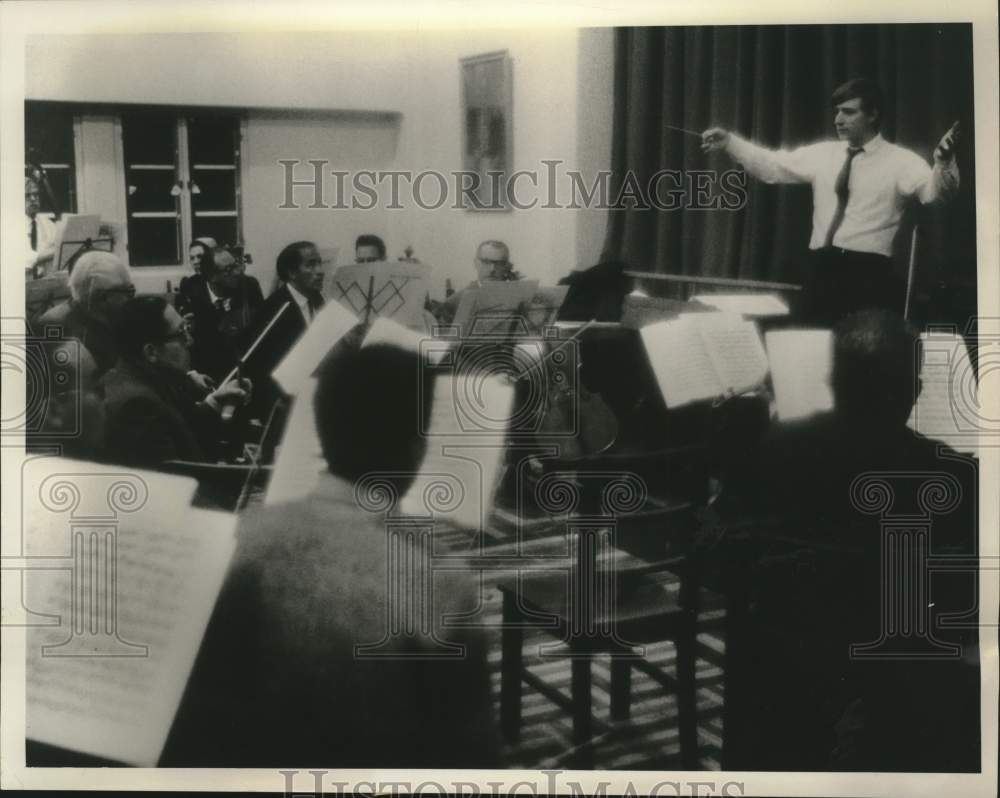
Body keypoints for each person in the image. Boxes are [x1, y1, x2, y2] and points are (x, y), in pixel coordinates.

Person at [163, 344, 500, 767]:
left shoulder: (237, 538)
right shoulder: (439, 580)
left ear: (320, 434)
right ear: (417, 449)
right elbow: (472, 757)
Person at [720, 310, 978, 772]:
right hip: (894, 680)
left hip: (779, 655)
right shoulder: (952, 475)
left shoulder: (773, 446)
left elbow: (728, 543)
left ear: (831, 380)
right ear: (913, 391)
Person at [702, 78, 960, 325]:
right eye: (837, 112)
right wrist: (730, 143)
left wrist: (943, 163)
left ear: (872, 115)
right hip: (820, 268)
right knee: (810, 350)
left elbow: (934, 193)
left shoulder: (901, 161)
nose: (838, 120)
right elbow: (772, 166)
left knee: (857, 355)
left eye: (848, 112)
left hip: (868, 274)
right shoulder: (823, 153)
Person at [101, 296, 251, 466]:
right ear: (151, 352)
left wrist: (215, 402)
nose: (190, 340)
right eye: (181, 333)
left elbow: (181, 425)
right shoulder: (137, 405)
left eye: (187, 329)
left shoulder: (150, 376)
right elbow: (175, 479)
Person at [243, 241, 325, 405]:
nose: (320, 271)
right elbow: (261, 369)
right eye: (310, 265)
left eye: (319, 263)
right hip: (286, 403)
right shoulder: (272, 309)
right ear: (292, 273)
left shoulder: (318, 300)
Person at [35, 251, 136, 376]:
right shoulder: (55, 326)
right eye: (126, 292)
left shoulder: (114, 316)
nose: (130, 298)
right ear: (103, 297)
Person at [187, 248, 263, 381]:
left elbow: (260, 327)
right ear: (212, 277)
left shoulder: (249, 286)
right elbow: (194, 349)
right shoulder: (194, 297)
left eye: (236, 265)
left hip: (249, 370)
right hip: (213, 375)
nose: (238, 272)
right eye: (229, 270)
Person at [433, 239, 521, 324]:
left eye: (499, 264)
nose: (492, 269)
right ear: (476, 263)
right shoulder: (453, 303)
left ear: (507, 266)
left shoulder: (520, 299)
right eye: (486, 262)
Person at [25, 176, 60, 278]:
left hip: (44, 281)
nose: (33, 199)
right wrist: (57, 250)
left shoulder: (46, 223)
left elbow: (63, 243)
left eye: (36, 194)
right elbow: (26, 259)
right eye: (27, 195)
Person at [175, 237, 216, 317]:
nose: (195, 262)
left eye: (199, 257)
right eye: (192, 258)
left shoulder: (224, 280)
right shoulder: (189, 284)